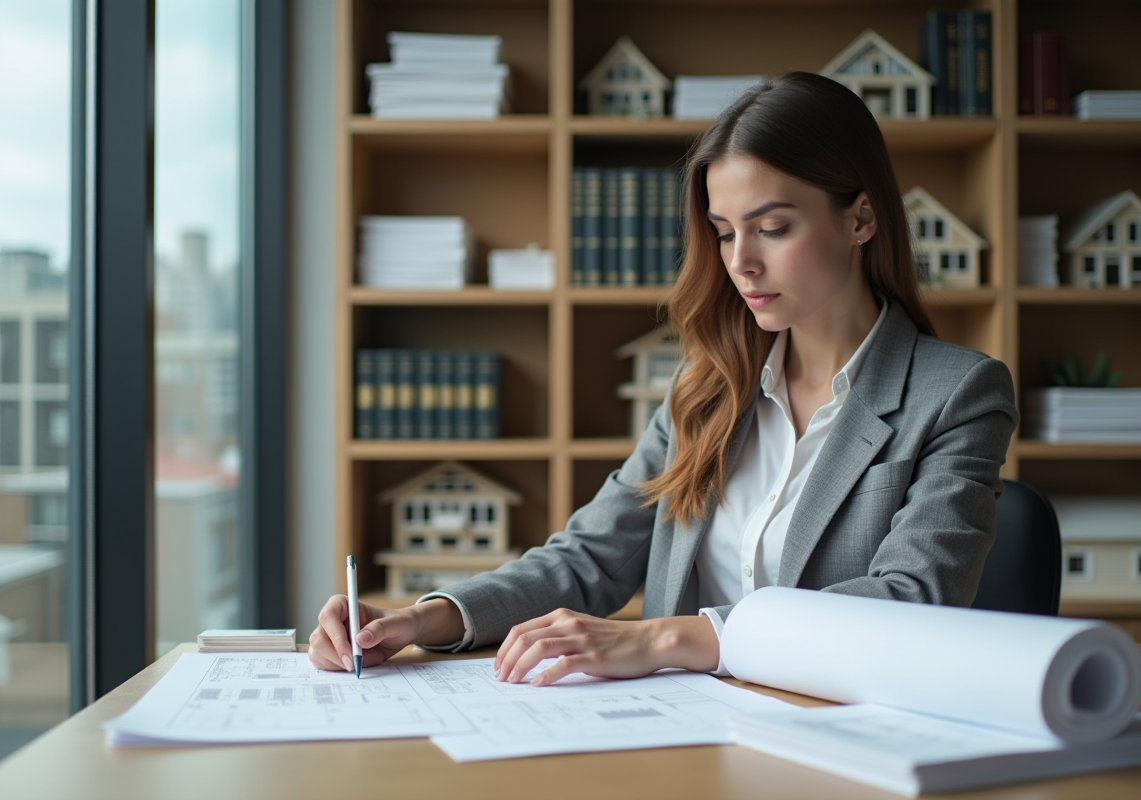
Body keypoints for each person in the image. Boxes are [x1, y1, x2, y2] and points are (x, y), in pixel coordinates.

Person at [309, 71, 1018, 686]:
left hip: (838, 734)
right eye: (723, 230)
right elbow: (589, 559)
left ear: (860, 217)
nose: (740, 262)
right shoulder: (705, 388)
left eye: (772, 227)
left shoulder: (958, 393)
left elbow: (915, 598)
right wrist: (422, 619)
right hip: (676, 735)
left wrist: (663, 638)